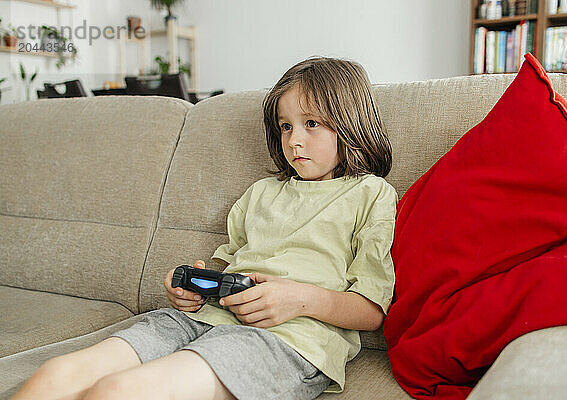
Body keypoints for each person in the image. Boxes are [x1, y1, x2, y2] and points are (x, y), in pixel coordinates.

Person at [10, 56, 398, 400]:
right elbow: (225, 261)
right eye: (284, 127)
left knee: (117, 391)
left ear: (350, 123)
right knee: (57, 375)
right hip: (201, 318)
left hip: (287, 339)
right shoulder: (261, 193)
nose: (293, 140)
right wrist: (196, 285)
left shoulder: (370, 194)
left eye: (311, 123)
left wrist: (298, 299)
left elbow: (371, 310)